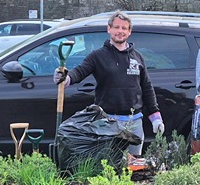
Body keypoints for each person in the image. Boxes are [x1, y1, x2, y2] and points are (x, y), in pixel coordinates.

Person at [53, 11, 164, 156]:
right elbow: (79, 72)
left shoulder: (137, 57)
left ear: (129, 32)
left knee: (133, 165)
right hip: (107, 123)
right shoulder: (98, 56)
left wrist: (155, 117)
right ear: (109, 29)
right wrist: (65, 78)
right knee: (108, 165)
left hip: (134, 122)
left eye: (124, 28)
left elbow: (147, 88)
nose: (120, 31)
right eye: (116, 27)